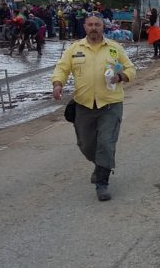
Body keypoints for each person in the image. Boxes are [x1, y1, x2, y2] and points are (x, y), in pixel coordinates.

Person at [51, 14, 136, 201]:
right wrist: (58, 84)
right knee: (87, 145)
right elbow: (62, 68)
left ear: (103, 27)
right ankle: (99, 165)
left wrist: (121, 76)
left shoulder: (115, 48)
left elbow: (130, 69)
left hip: (110, 104)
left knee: (106, 143)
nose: (94, 28)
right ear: (85, 26)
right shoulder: (74, 49)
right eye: (90, 25)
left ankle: (102, 183)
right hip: (83, 105)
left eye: (97, 24)